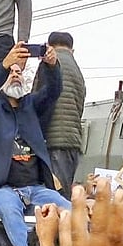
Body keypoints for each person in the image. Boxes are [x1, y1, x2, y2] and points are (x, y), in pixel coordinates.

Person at [0, 43, 71, 246]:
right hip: (1, 189)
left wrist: (52, 66)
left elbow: (54, 91)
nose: (16, 74)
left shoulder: (31, 105)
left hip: (36, 189)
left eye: (19, 72)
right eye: (11, 72)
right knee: (10, 212)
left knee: (70, 210)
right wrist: (4, 64)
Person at [34, 31, 85, 196]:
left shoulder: (50, 64)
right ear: (72, 49)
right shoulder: (76, 68)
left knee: (54, 196)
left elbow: (37, 101)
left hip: (53, 139)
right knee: (65, 192)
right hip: (73, 140)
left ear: (49, 46)